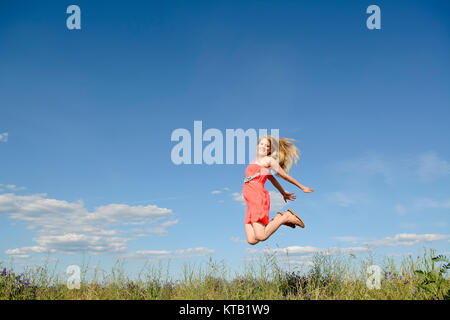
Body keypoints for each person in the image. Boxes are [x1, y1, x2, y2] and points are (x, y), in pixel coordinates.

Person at [242, 135, 314, 245]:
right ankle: (279, 218)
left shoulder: (269, 160)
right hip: (249, 200)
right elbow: (272, 180)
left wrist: (301, 187)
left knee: (261, 236)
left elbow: (284, 176)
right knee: (251, 240)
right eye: (261, 144)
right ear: (257, 146)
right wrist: (283, 193)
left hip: (257, 196)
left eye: (267, 146)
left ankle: (286, 217)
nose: (263, 147)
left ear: (270, 150)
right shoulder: (255, 162)